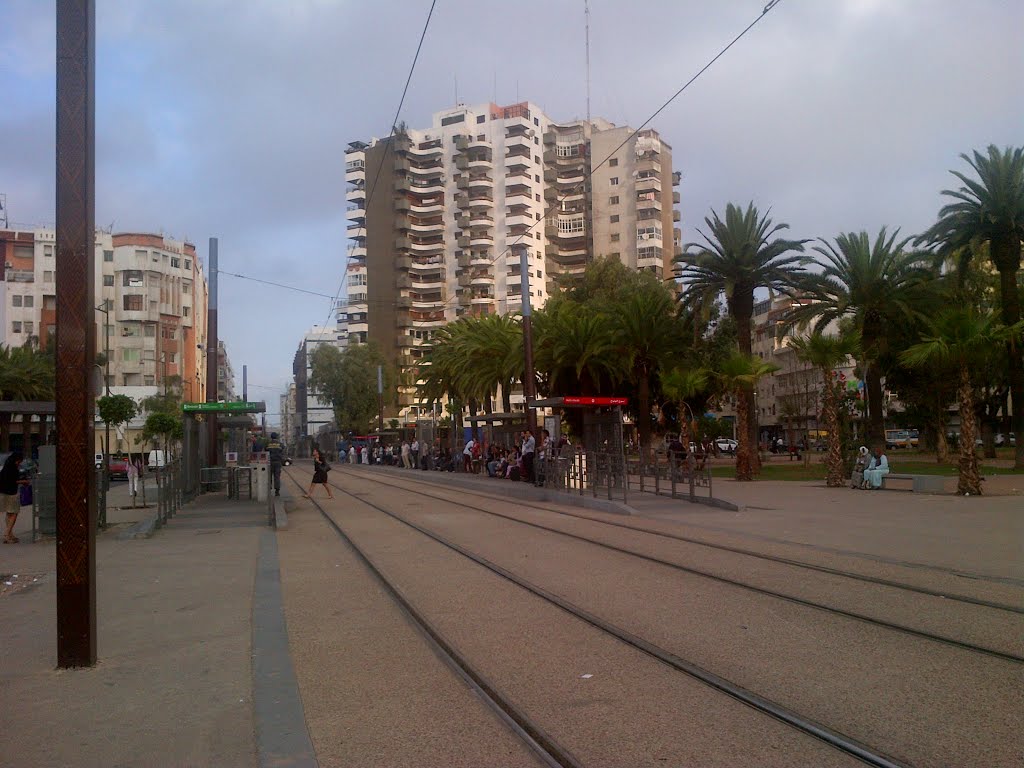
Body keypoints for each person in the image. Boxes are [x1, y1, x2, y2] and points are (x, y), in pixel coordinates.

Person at [2, 452, 25, 544]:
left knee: (9, 513)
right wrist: (23, 481)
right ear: (17, 460)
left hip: (3, 492)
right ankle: (7, 534)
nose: (19, 463)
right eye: (19, 461)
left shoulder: (5, 467)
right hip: (11, 493)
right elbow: (13, 481)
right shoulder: (13, 469)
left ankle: (10, 534)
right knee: (14, 513)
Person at [266, 432, 284, 497]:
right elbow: (283, 449)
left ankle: (269, 490)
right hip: (278, 462)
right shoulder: (280, 444)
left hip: (270, 462)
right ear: (276, 437)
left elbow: (266, 450)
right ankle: (277, 491)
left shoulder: (268, 444)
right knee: (277, 477)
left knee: (269, 476)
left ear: (271, 437)